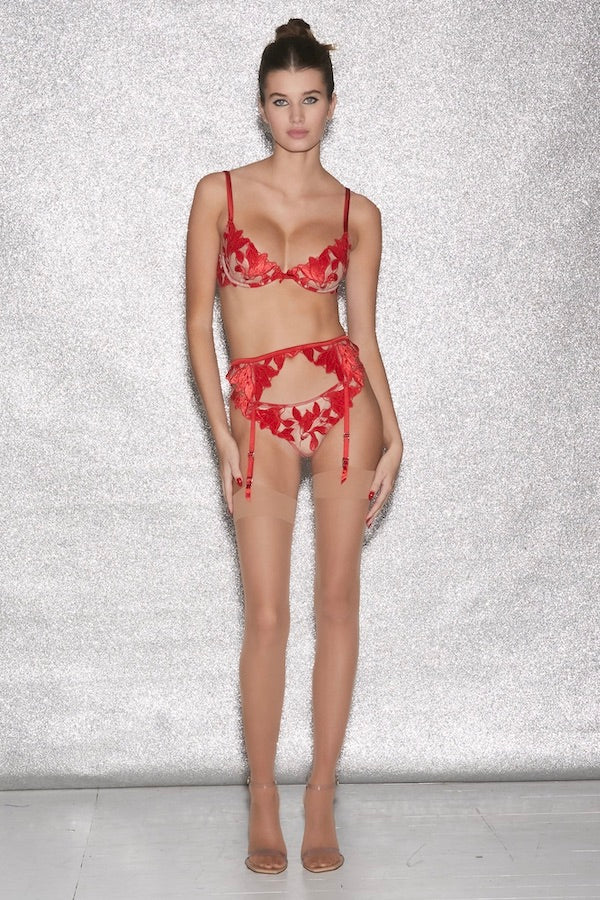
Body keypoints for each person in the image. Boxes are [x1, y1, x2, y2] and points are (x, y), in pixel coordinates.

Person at [185, 18, 403, 875]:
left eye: (310, 99)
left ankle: (320, 796)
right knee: (267, 615)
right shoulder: (218, 194)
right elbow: (197, 326)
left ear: (332, 105)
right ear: (261, 107)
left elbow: (365, 334)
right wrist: (222, 437)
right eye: (281, 102)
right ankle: (262, 802)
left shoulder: (357, 213)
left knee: (339, 603)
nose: (297, 116)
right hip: (258, 417)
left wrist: (396, 432)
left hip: (347, 406)